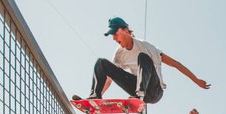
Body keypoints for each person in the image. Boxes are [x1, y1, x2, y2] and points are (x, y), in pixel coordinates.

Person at [75, 17, 210, 104]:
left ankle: (140, 95)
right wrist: (95, 103)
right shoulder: (119, 54)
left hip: (154, 91)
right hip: (136, 87)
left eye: (115, 34)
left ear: (126, 30)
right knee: (101, 63)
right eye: (112, 36)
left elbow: (175, 64)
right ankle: (95, 96)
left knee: (142, 57)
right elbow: (109, 78)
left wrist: (196, 80)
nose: (114, 38)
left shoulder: (146, 47)